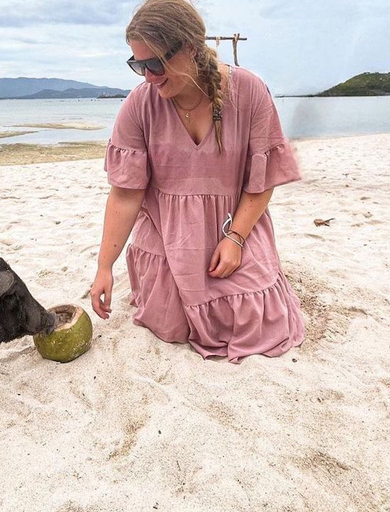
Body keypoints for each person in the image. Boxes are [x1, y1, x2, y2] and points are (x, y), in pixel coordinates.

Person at [90, 0, 305, 362]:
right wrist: (104, 267)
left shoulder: (249, 91)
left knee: (260, 322)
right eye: (137, 65)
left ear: (190, 48)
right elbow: (125, 196)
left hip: (236, 224)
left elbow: (262, 181)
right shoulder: (140, 105)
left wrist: (235, 238)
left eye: (155, 63)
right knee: (171, 321)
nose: (148, 77)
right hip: (166, 230)